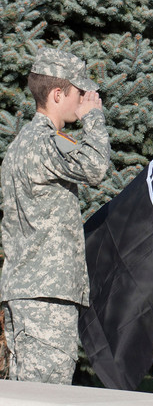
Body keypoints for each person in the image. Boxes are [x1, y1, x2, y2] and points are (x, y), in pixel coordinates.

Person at [1, 47, 110, 383]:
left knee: (25, 398)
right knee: (46, 398)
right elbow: (96, 167)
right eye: (79, 93)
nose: (85, 99)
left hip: (28, 287)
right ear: (57, 94)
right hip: (44, 294)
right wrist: (94, 118)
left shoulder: (24, 142)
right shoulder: (46, 142)